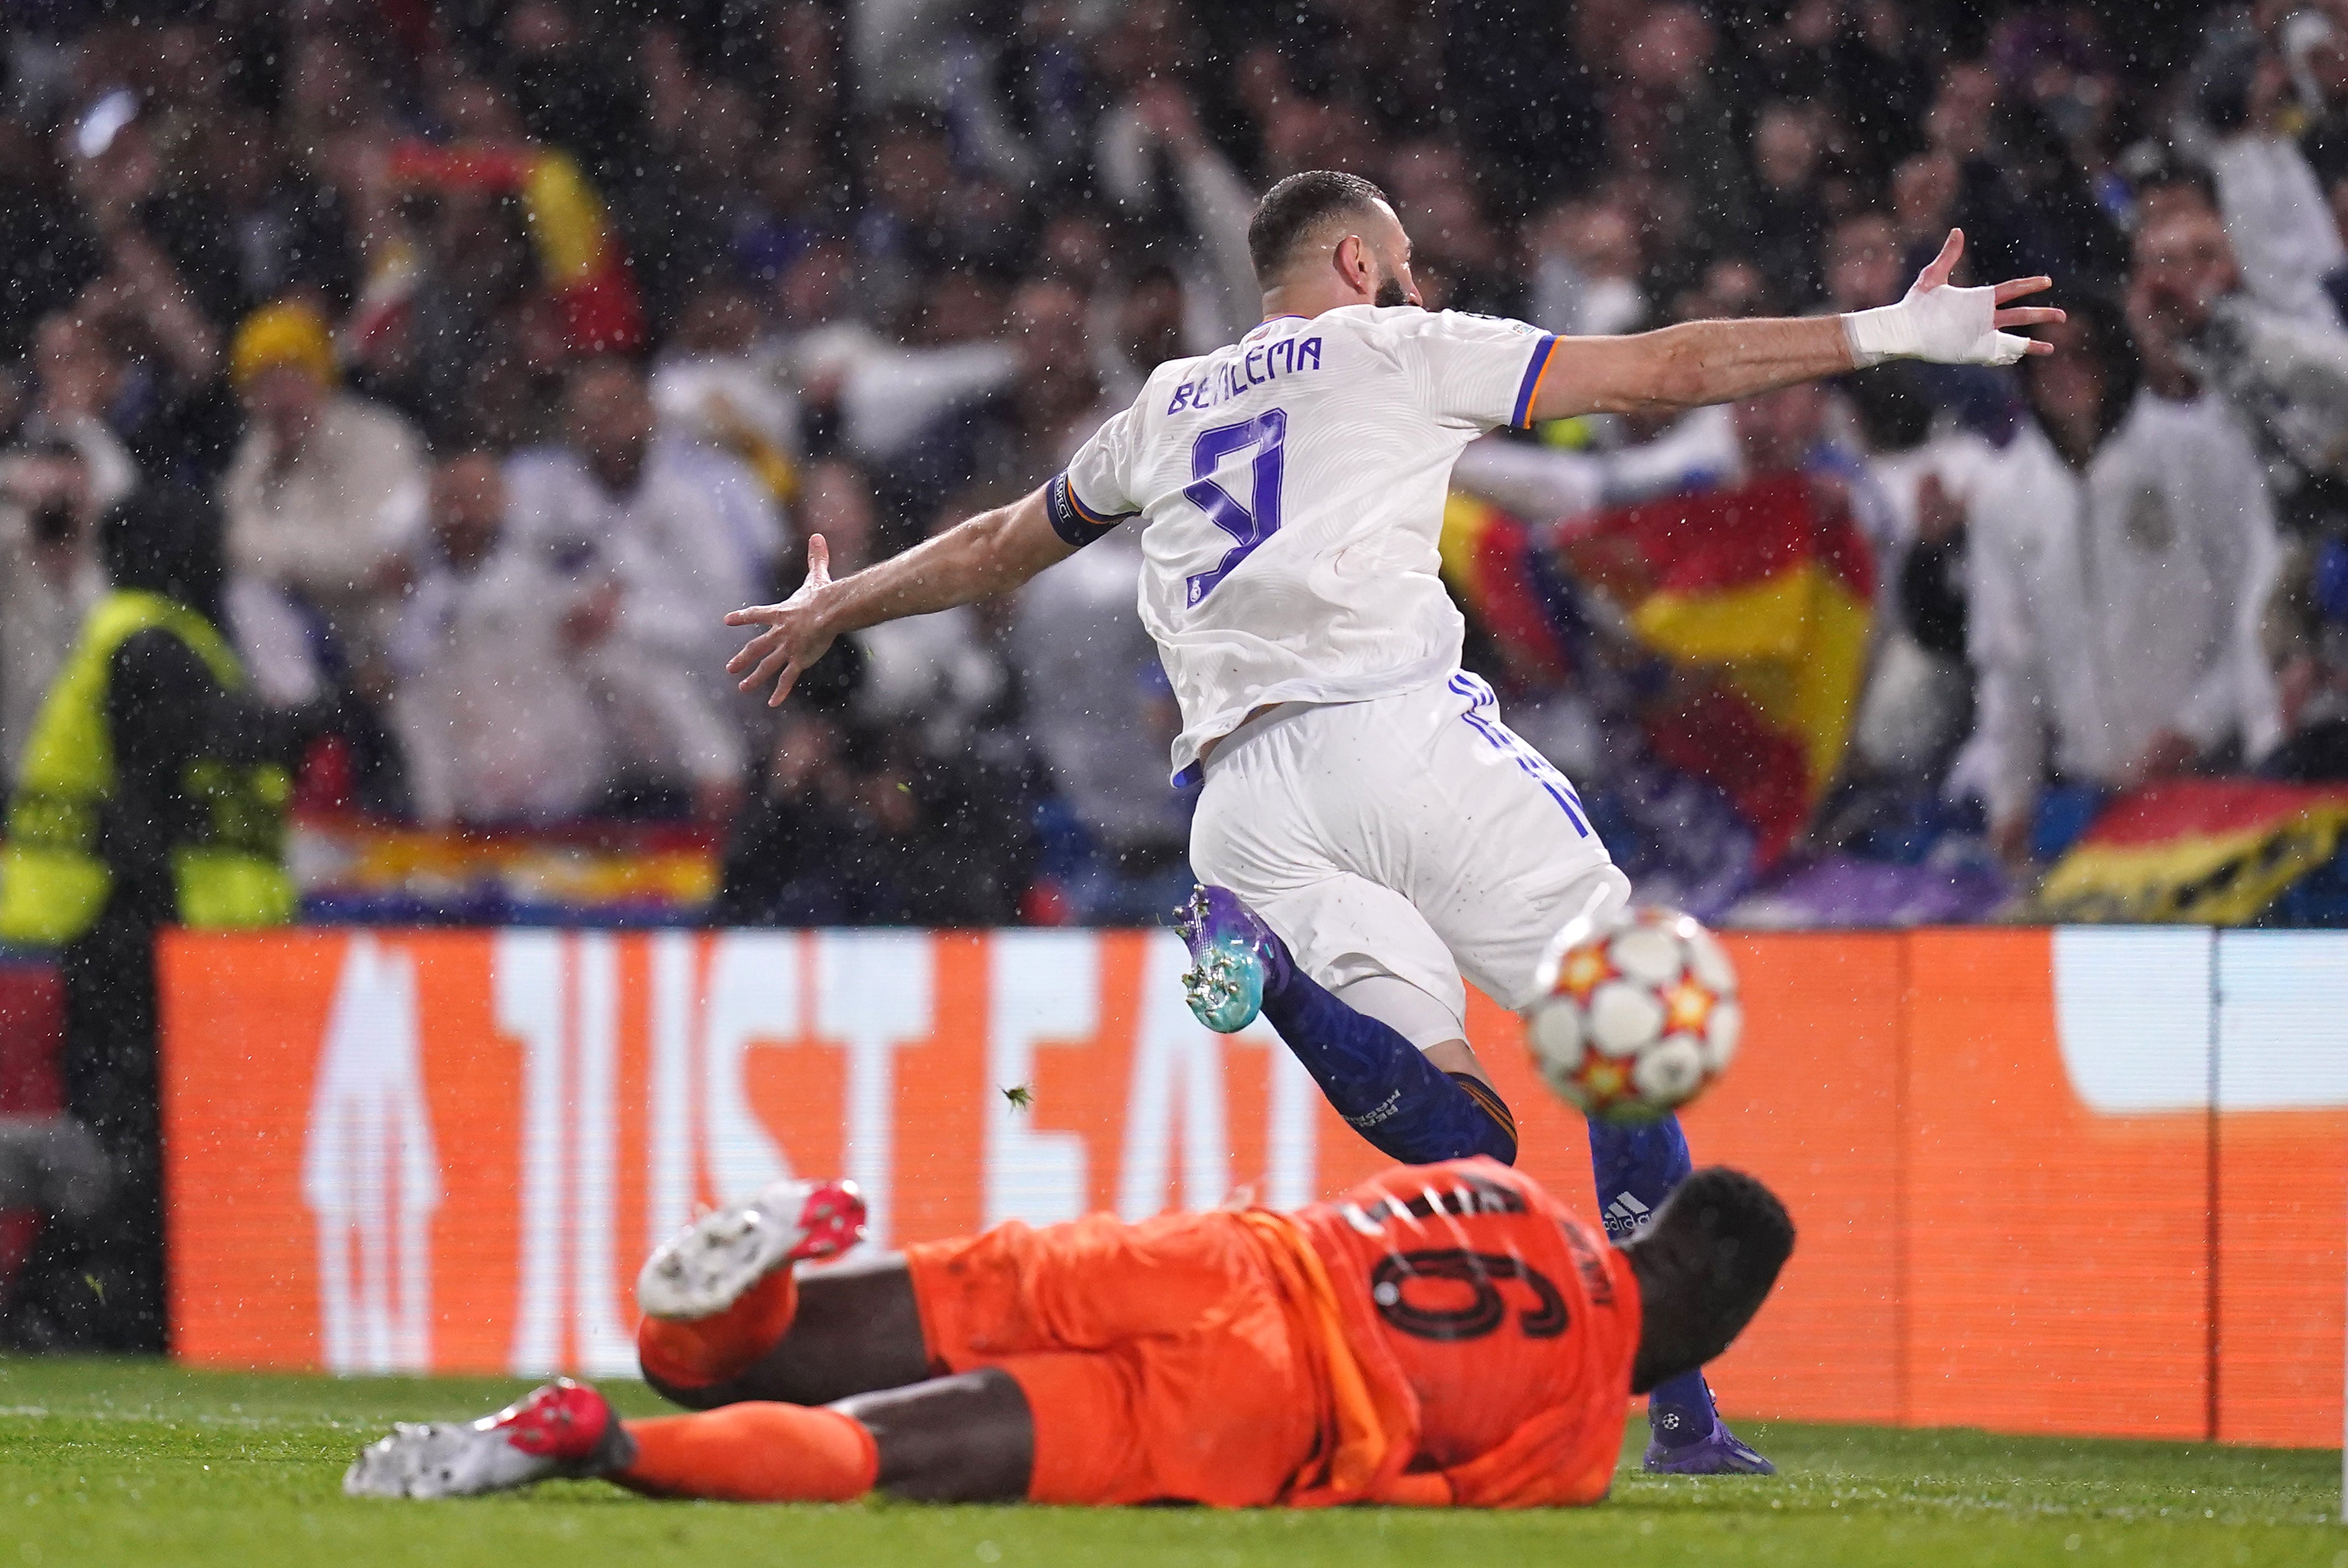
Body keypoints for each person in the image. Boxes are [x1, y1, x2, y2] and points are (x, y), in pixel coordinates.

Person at [722, 171, 2058, 1472]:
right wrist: (1886, 331)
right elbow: (1666, 367)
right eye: (1404, 261)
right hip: (1391, 728)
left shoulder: (1165, 403)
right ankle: (1679, 1409)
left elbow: (1003, 541)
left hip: (1238, 801)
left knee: (1465, 1137)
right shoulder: (1399, 348)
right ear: (1358, 267)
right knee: (1617, 1006)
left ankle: (1275, 977)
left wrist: (841, 603)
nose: (1419, 282)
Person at [345, 1158, 1794, 1506]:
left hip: (1207, 1254)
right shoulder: (1585, 1427)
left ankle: (745, 1298)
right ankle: (597, 1439)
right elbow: (1429, 1487)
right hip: (1267, 1395)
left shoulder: (1512, 1190)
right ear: (1702, 1326)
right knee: (881, 1450)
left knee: (829, 1337)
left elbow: (1366, 1209)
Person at [0, 485, 333, 1350]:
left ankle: (96, 1305)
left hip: (128, 935)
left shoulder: (159, 636)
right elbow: (185, 770)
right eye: (211, 535)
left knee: (139, 1144)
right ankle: (75, 1310)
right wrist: (327, 714)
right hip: (137, 939)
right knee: (134, 1146)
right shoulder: (152, 640)